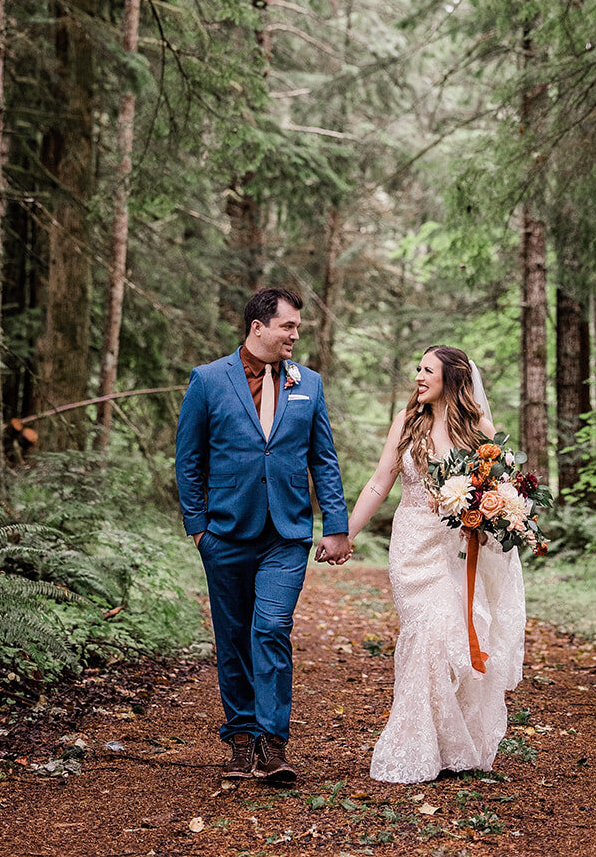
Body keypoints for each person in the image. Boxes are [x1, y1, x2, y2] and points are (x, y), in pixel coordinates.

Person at [175, 286, 351, 786]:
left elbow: (324, 459)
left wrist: (335, 526)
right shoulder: (208, 380)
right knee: (232, 637)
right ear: (259, 328)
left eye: (297, 326)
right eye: (288, 326)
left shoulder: (309, 384)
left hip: (286, 533)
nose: (296, 334)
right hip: (224, 533)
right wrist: (198, 530)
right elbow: (188, 460)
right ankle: (240, 739)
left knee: (270, 627)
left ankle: (273, 743)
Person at [347, 346, 526, 783]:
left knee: (449, 638)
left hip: (458, 550)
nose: (418, 377)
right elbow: (378, 483)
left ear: (452, 378)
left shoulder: (479, 428)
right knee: (424, 637)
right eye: (418, 369)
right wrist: (346, 534)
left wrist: (495, 509)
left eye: (427, 370)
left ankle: (449, 742)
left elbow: (504, 488)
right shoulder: (408, 422)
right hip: (411, 549)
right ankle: (418, 742)